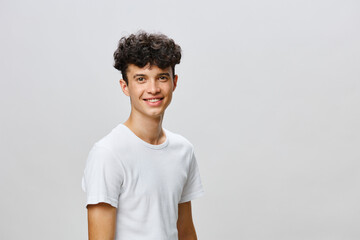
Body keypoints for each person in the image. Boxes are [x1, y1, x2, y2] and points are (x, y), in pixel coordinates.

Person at [81, 31, 205, 240]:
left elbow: (185, 231)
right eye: (141, 79)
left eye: (162, 77)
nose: (153, 88)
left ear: (174, 82)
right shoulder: (108, 154)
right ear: (125, 87)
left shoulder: (183, 150)